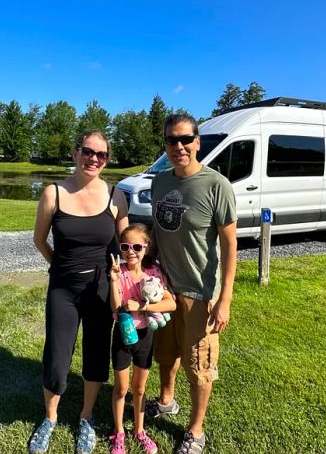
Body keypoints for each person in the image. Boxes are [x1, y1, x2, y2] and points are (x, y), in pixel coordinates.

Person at [30, 130, 129, 454]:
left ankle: (86, 417)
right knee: (57, 355)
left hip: (100, 286)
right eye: (88, 152)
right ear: (75, 152)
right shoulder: (53, 194)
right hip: (63, 287)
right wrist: (58, 265)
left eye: (102, 155)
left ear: (107, 160)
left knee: (96, 352)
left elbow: (127, 245)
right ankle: (50, 417)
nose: (94, 159)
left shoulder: (116, 196)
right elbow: (39, 240)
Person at [146, 113, 238, 454]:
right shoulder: (159, 182)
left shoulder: (217, 185)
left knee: (199, 366)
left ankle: (195, 431)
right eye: (172, 140)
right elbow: (157, 230)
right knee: (165, 355)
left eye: (186, 139)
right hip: (164, 290)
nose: (179, 146)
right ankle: (167, 401)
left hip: (201, 295)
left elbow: (230, 246)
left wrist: (224, 298)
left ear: (198, 142)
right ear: (166, 145)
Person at [108, 223, 177, 454]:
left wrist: (143, 306)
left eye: (137, 246)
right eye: (125, 246)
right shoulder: (120, 272)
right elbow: (116, 308)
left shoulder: (153, 273)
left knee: (139, 388)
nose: (131, 252)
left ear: (146, 248)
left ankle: (139, 431)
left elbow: (171, 303)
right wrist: (114, 281)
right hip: (122, 337)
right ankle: (118, 433)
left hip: (145, 336)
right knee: (122, 388)